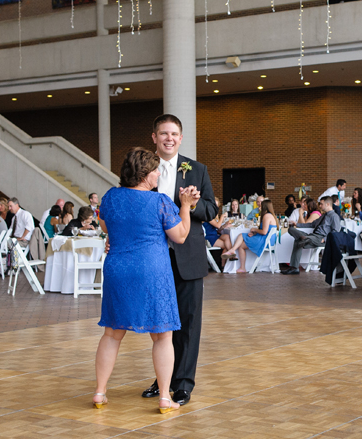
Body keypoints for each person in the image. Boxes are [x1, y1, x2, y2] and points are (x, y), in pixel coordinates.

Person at [94, 148, 200, 412]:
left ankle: (99, 391)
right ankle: (165, 396)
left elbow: (106, 227)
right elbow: (181, 236)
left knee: (112, 333)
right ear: (145, 174)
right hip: (152, 270)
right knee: (163, 336)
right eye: (155, 170)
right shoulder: (160, 202)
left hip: (118, 269)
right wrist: (185, 206)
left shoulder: (110, 197)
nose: (158, 174)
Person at [138, 114, 217, 407]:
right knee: (159, 321)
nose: (169, 138)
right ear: (154, 137)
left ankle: (182, 383)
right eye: (163, 134)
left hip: (188, 255)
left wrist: (191, 204)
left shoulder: (197, 169)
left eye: (174, 134)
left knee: (188, 321)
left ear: (180, 138)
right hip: (152, 254)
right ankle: (163, 379)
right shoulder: (143, 169)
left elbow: (210, 209)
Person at [283, 196, 340, 275]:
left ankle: (294, 268)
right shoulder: (323, 216)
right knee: (291, 229)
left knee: (298, 241)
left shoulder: (334, 216)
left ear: (327, 204)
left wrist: (325, 239)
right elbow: (312, 224)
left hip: (321, 239)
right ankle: (304, 238)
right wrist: (297, 224)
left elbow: (336, 232)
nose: (319, 206)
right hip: (312, 236)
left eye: (321, 204)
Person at [223, 199, 278, 273]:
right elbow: (265, 231)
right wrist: (255, 233)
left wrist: (254, 229)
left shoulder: (266, 216)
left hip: (264, 241)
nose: (259, 207)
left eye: (261, 205)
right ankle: (233, 251)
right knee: (241, 237)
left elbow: (264, 232)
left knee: (241, 242)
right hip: (268, 240)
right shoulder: (270, 215)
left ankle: (240, 264)